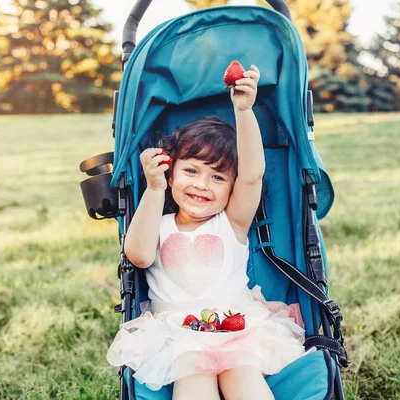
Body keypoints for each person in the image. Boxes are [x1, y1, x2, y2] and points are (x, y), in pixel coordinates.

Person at [107, 65, 305, 400]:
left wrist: (243, 110)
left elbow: (252, 174)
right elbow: (138, 256)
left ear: (231, 188)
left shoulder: (232, 223)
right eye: (191, 171)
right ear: (171, 175)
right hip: (177, 337)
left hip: (238, 330)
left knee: (244, 379)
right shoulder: (158, 224)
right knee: (194, 385)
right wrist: (154, 190)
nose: (201, 184)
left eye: (217, 177)